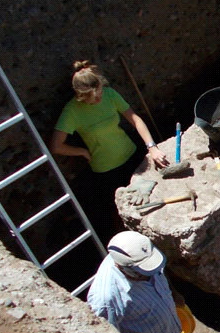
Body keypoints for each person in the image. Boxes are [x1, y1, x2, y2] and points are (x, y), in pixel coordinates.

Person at [50, 61, 169, 240]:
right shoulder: (72, 112)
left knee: (150, 196)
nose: (99, 98)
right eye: (93, 97)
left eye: (99, 92)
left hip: (131, 155)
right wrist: (81, 152)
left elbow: (135, 119)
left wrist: (151, 147)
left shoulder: (109, 94)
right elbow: (56, 146)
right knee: (121, 211)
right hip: (106, 170)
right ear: (81, 96)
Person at [87, 231, 187, 333]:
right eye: (146, 271)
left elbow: (159, 271)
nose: (153, 272)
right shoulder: (106, 298)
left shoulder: (144, 254)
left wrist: (174, 293)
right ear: (124, 268)